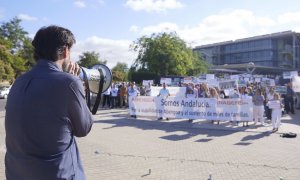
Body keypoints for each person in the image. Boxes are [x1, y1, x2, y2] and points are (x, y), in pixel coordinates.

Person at [5, 25, 93, 180]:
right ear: (65, 51)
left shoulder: (19, 81)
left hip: (16, 172)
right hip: (57, 174)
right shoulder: (69, 82)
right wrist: (74, 83)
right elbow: (83, 128)